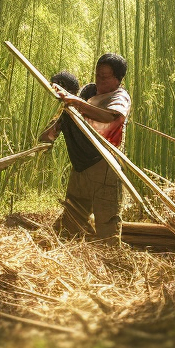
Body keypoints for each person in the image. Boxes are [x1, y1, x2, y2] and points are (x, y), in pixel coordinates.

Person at [39, 54, 131, 239]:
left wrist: (78, 104)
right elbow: (48, 135)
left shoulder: (119, 97)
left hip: (104, 165)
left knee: (107, 223)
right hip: (80, 167)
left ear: (118, 79)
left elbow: (110, 117)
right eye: (97, 75)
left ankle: (113, 262)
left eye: (105, 77)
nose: (99, 80)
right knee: (71, 219)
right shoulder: (87, 94)